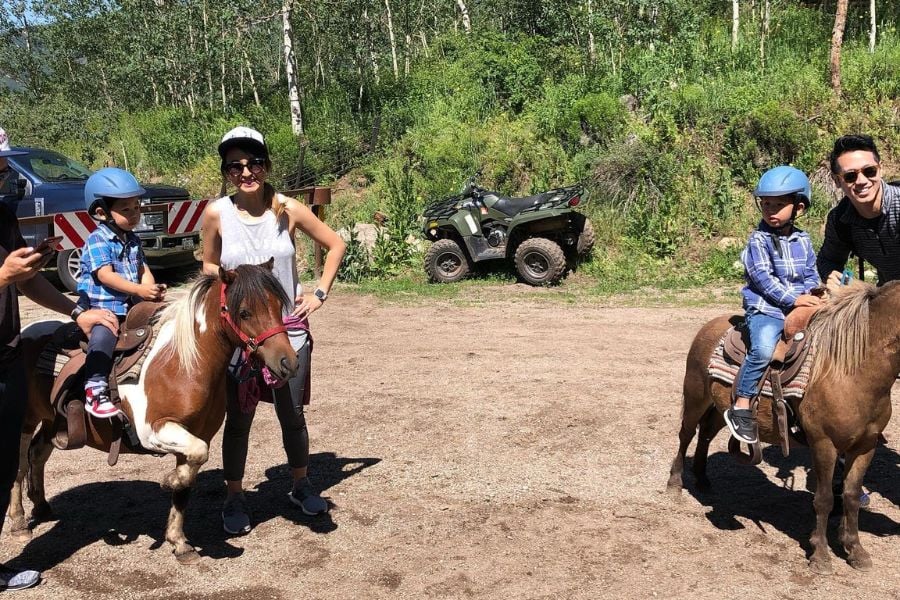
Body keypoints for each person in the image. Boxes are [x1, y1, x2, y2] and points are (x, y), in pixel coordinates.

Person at [200, 126, 346, 535]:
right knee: (239, 417)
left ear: (266, 165)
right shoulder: (217, 213)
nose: (246, 172)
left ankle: (300, 485)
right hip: (241, 332)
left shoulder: (288, 208)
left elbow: (336, 244)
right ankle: (234, 495)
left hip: (286, 327)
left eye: (254, 163)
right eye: (235, 166)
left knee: (291, 413)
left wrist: (319, 292)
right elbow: (206, 265)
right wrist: (231, 276)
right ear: (227, 171)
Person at [0, 127, 118, 591]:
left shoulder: (4, 215)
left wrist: (77, 310)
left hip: (6, 356)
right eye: (0, 161)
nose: (6, 167)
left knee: (5, 462)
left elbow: (27, 283)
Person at [725, 166, 822, 445]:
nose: (771, 210)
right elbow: (763, 279)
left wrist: (816, 291)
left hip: (799, 307)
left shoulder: (803, 240)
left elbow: (810, 273)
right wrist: (793, 299)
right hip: (766, 309)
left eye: (779, 205)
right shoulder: (758, 239)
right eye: (766, 204)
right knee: (765, 348)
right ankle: (741, 405)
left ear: (799, 208)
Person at [76, 168, 166, 418]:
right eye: (126, 210)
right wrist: (139, 289)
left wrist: (152, 289)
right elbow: (105, 275)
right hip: (101, 308)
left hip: (132, 305)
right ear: (101, 212)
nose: (135, 213)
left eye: (137, 207)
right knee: (104, 336)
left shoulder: (133, 239)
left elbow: (142, 269)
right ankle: (94, 388)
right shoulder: (98, 240)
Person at [817, 134, 900, 287]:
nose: (861, 181)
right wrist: (831, 275)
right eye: (850, 176)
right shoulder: (840, 220)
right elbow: (828, 260)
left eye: (869, 171)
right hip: (888, 298)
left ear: (880, 169)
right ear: (837, 181)